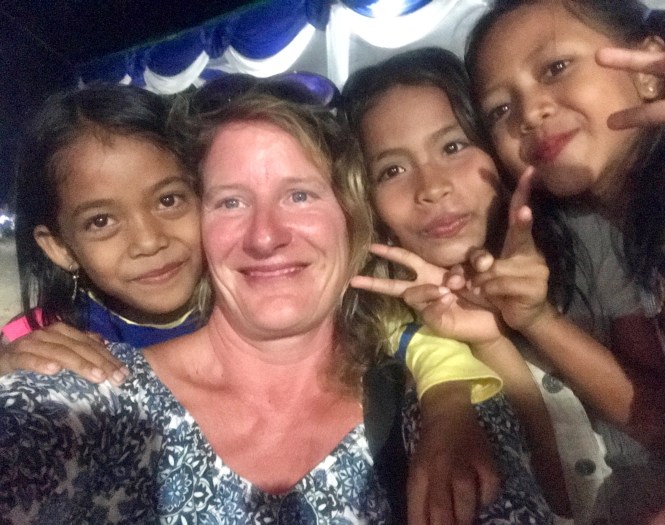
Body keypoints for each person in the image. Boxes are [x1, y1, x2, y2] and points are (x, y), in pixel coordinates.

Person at [0, 88, 554, 523]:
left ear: (351, 218)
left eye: (300, 194)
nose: (265, 236)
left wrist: (451, 400)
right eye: (231, 201)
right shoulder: (74, 395)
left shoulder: (439, 418)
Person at [464, 0, 665, 522]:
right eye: (500, 110)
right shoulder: (622, 234)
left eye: (555, 67)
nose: (530, 113)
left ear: (648, 70)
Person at [341, 46, 583, 520]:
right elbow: (561, 497)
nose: (431, 187)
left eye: (452, 147)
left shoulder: (586, 247)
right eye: (392, 170)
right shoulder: (395, 336)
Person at [0, 83, 204, 383]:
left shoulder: (249, 303)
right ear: (60, 247)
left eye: (168, 200)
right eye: (101, 221)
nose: (149, 242)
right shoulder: (38, 342)